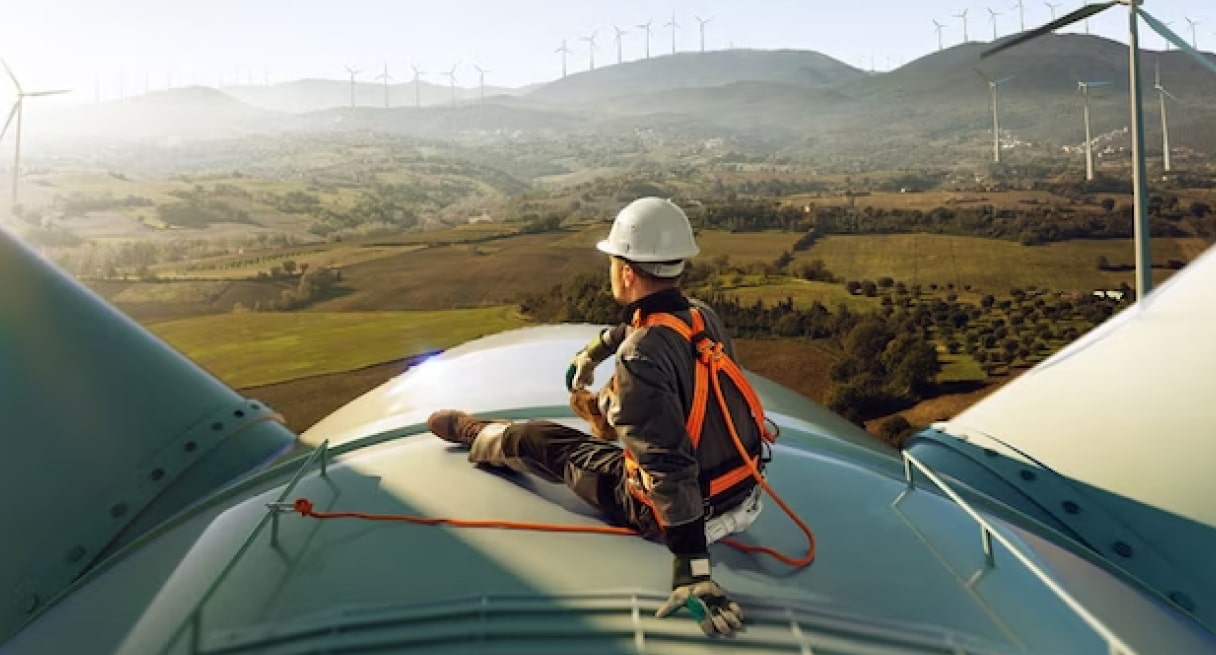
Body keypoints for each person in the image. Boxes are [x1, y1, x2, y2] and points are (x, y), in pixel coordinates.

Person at [428, 197, 769, 637]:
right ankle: (595, 417)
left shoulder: (641, 357)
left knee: (542, 440)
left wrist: (693, 571)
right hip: (743, 490)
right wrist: (595, 351)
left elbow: (668, 466)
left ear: (627, 271)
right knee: (625, 418)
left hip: (681, 513)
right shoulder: (701, 315)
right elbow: (643, 325)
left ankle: (479, 435)